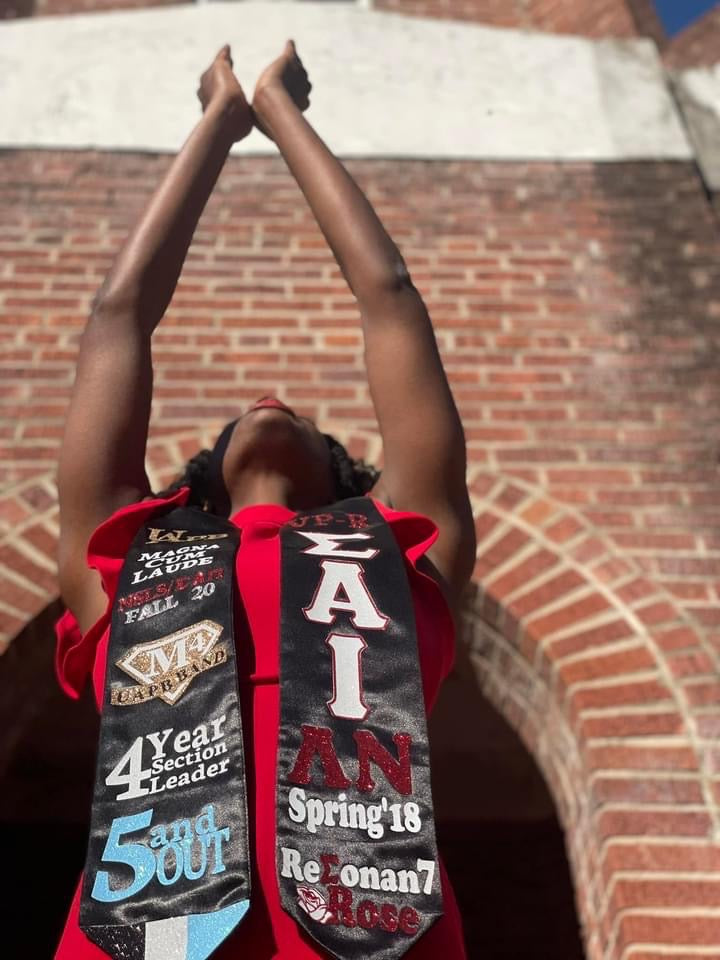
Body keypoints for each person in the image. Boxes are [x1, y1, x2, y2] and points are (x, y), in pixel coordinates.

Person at [54, 40, 476, 959]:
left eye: (299, 417)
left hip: (379, 925)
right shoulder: (127, 570)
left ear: (353, 481)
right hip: (151, 933)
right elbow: (117, 317)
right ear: (192, 488)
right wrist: (217, 118)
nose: (267, 397)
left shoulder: (403, 557)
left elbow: (391, 300)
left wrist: (285, 114)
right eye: (240, 415)